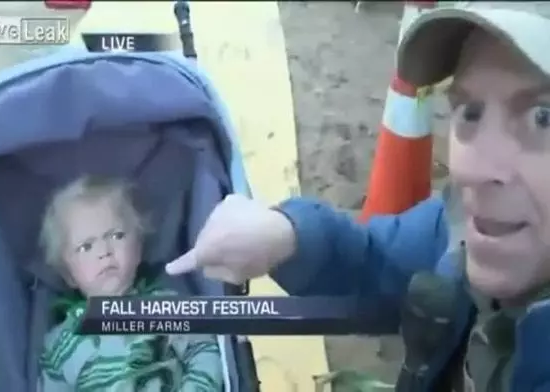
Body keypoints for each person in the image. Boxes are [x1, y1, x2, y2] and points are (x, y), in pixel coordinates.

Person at [166, 2, 550, 391]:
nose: (471, 171)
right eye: (470, 112)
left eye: (543, 117)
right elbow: (376, 258)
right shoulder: (458, 226)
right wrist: (288, 235)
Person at [38, 175, 224, 391]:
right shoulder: (60, 344)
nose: (104, 252)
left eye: (116, 236)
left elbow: (204, 351)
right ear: (68, 274)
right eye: (85, 247)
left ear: (137, 249)